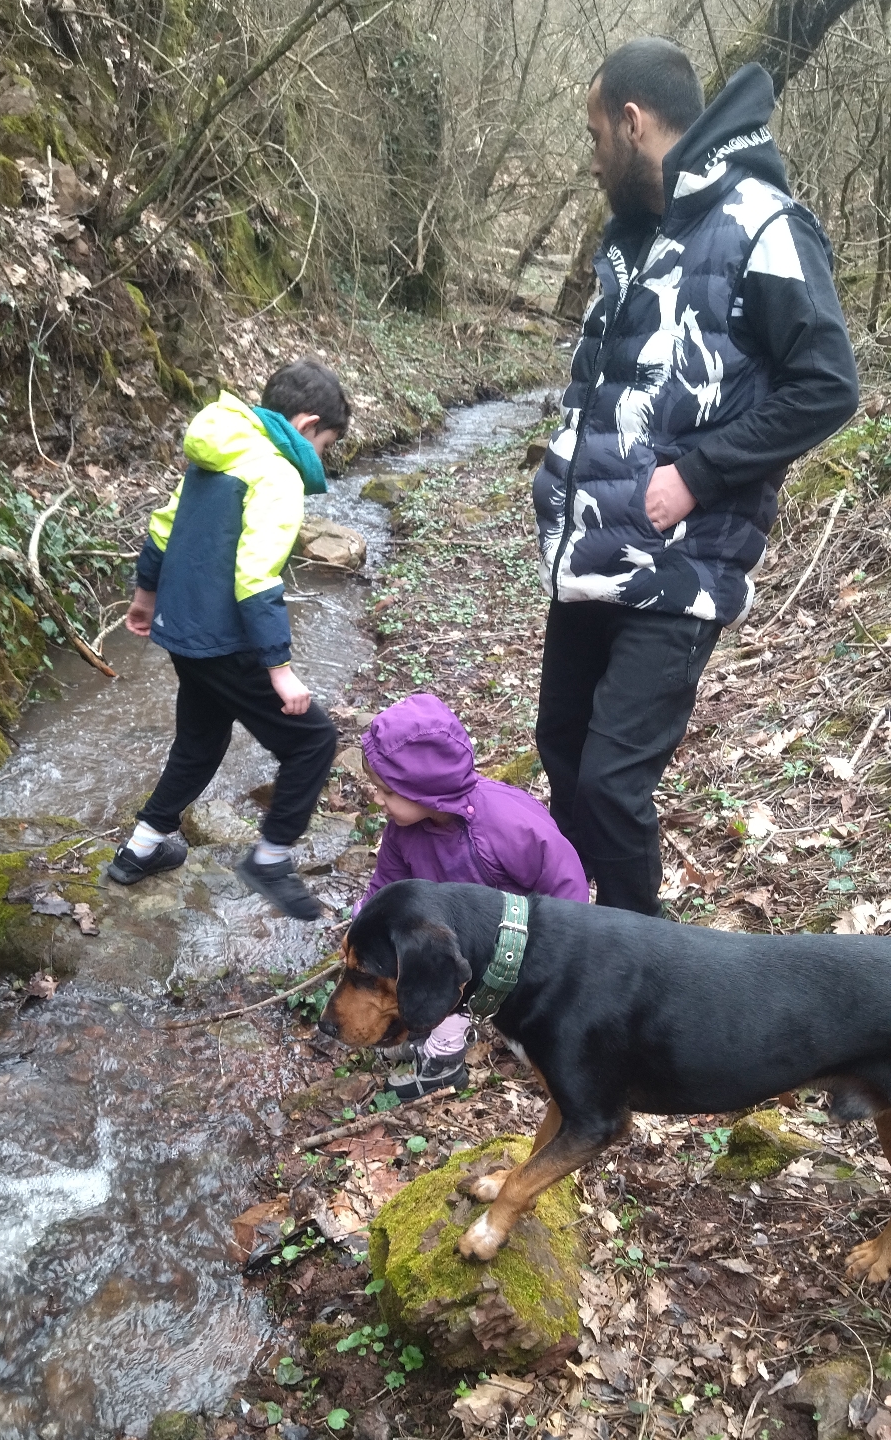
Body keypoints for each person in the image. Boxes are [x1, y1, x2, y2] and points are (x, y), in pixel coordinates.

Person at [533, 40, 859, 916]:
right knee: (563, 757)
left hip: (680, 564)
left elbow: (828, 386)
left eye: (595, 135)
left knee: (610, 787)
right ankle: (582, 946)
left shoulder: (763, 223)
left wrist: (699, 473)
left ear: (633, 121)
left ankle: (640, 969)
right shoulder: (632, 237)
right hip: (589, 554)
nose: (592, 157)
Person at [111, 358, 350, 920]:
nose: (321, 458)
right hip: (224, 641)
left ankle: (140, 848)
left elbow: (163, 528)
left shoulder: (217, 452)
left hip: (182, 634)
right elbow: (257, 575)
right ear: (307, 424)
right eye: (326, 446)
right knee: (313, 742)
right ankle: (271, 859)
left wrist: (145, 597)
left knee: (200, 743)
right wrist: (279, 668)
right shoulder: (276, 473)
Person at [356, 692, 589, 1099]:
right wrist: (363, 925)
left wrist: (563, 962)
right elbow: (386, 886)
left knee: (450, 971)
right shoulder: (402, 833)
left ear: (423, 789)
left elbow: (564, 881)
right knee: (433, 957)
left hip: (518, 946)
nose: (377, 799)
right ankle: (423, 1024)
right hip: (454, 932)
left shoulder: (507, 826)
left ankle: (444, 1060)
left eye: (386, 791)